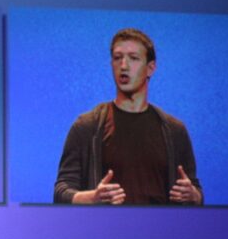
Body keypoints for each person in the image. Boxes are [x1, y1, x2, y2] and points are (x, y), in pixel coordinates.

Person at [54, 28, 203, 205]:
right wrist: (92, 197)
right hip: (105, 230)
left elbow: (196, 192)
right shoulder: (87, 127)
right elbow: (61, 192)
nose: (123, 66)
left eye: (133, 58)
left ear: (150, 68)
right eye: (118, 58)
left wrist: (193, 195)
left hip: (160, 231)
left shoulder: (175, 131)